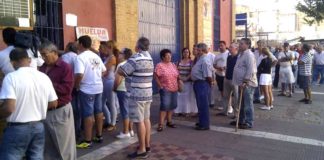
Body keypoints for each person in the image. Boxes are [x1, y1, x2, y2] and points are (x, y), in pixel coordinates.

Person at [0, 48, 58, 159]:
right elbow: (54, 102)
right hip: (38, 126)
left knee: (11, 156)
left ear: (12, 62)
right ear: (29, 60)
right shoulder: (43, 77)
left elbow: (9, 108)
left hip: (17, 128)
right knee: (36, 157)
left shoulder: (11, 78)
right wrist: (36, 108)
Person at [39, 42, 76, 160]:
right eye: (41, 55)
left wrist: (47, 84)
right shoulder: (43, 67)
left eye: (45, 54)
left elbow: (67, 89)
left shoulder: (65, 67)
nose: (43, 58)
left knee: (64, 147)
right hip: (45, 111)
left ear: (54, 53)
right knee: (48, 148)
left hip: (60, 111)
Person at [117, 37, 154, 159]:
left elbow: (122, 71)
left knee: (139, 122)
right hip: (147, 93)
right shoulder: (149, 57)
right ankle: (147, 145)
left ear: (138, 46)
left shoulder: (135, 58)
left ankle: (142, 149)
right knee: (146, 119)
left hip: (137, 94)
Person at [74, 35, 106, 148]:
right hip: (98, 87)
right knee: (98, 111)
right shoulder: (95, 56)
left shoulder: (80, 57)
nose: (77, 45)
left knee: (87, 114)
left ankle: (87, 141)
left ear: (81, 44)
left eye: (78, 43)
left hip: (87, 89)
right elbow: (104, 70)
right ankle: (99, 135)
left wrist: (76, 85)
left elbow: (79, 74)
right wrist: (96, 78)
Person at [230, 38, 257, 129]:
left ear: (247, 45)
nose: (239, 45)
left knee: (247, 104)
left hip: (247, 84)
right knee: (241, 103)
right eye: (239, 43)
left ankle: (249, 122)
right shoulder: (241, 54)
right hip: (240, 83)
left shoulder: (249, 55)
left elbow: (250, 70)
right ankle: (240, 120)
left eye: (241, 44)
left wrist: (245, 81)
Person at [154, 49, 180, 132]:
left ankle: (169, 121)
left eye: (170, 55)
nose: (169, 57)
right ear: (163, 57)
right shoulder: (159, 65)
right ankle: (160, 124)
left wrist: (179, 83)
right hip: (165, 89)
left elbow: (177, 75)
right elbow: (155, 76)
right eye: (167, 56)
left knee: (172, 105)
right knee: (164, 106)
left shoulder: (173, 65)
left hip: (174, 88)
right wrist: (160, 86)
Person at [191, 43, 213, 130]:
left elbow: (208, 75)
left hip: (202, 83)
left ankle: (204, 124)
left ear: (203, 50)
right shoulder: (200, 59)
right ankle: (201, 121)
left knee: (203, 105)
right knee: (200, 104)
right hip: (198, 83)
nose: (198, 52)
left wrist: (209, 84)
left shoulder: (204, 60)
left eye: (199, 50)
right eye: (197, 50)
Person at [113, 48, 134, 139]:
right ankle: (131, 130)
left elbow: (118, 79)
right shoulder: (131, 64)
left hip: (122, 90)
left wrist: (114, 88)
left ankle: (125, 132)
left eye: (120, 53)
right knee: (129, 111)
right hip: (130, 90)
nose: (119, 55)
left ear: (124, 55)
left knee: (124, 111)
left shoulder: (121, 65)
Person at [62, 42, 81, 140]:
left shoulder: (65, 57)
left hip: (69, 85)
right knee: (77, 109)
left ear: (68, 47)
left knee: (70, 109)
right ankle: (78, 131)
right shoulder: (78, 56)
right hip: (78, 85)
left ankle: (71, 132)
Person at [99, 40, 119, 131]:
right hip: (105, 82)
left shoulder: (112, 58)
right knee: (102, 103)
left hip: (110, 82)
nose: (105, 48)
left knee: (111, 103)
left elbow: (104, 70)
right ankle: (108, 120)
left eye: (106, 46)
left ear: (110, 47)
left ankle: (113, 123)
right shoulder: (109, 57)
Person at [217, 42, 239, 117]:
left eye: (231, 47)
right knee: (225, 96)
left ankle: (236, 114)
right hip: (227, 78)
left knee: (236, 98)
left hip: (235, 80)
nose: (229, 48)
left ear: (236, 48)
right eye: (229, 47)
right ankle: (225, 111)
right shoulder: (229, 57)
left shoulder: (239, 57)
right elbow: (228, 67)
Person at [174, 48, 198, 117]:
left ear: (189, 53)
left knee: (187, 98)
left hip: (188, 82)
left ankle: (187, 111)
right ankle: (179, 111)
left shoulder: (191, 62)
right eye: (184, 52)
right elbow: (176, 71)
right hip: (180, 82)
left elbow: (192, 71)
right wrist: (180, 78)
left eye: (187, 52)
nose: (186, 53)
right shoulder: (178, 62)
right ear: (182, 53)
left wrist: (187, 78)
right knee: (179, 97)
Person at [214, 41, 229, 110]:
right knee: (221, 91)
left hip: (226, 75)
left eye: (222, 45)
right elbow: (214, 64)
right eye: (219, 45)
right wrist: (218, 68)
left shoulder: (228, 54)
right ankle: (224, 105)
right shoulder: (217, 55)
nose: (220, 47)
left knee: (227, 91)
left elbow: (231, 63)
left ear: (225, 45)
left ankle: (229, 106)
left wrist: (224, 68)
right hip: (218, 74)